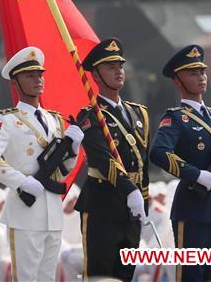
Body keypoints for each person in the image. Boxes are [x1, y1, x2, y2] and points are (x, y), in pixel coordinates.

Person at [0, 47, 82, 282]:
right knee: (26, 278)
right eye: (30, 76)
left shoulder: (55, 120)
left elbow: (64, 171)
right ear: (16, 82)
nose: (38, 80)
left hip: (53, 208)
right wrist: (21, 181)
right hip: (25, 210)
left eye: (40, 74)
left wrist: (73, 149)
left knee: (47, 278)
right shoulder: (7, 119)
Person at [151, 45, 211, 282]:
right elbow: (158, 152)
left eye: (202, 72)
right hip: (193, 207)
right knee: (191, 275)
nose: (201, 78)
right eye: (193, 73)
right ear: (178, 81)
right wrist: (194, 174)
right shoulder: (175, 118)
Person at [73, 38, 151, 281]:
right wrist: (130, 191)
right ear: (95, 76)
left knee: (125, 274)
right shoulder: (89, 115)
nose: (118, 71)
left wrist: (143, 197)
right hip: (102, 203)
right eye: (110, 67)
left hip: (131, 207)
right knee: (100, 274)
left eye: (120, 66)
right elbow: (101, 158)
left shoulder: (139, 113)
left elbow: (142, 162)